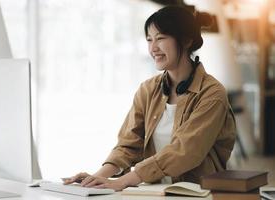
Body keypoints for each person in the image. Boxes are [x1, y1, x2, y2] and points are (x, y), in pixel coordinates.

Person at [64, 5, 236, 191]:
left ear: (186, 41)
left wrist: (123, 181)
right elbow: (128, 145)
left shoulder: (212, 93)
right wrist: (97, 178)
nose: (153, 48)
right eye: (149, 40)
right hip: (154, 192)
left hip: (197, 193)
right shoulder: (148, 89)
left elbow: (185, 151)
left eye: (161, 38)